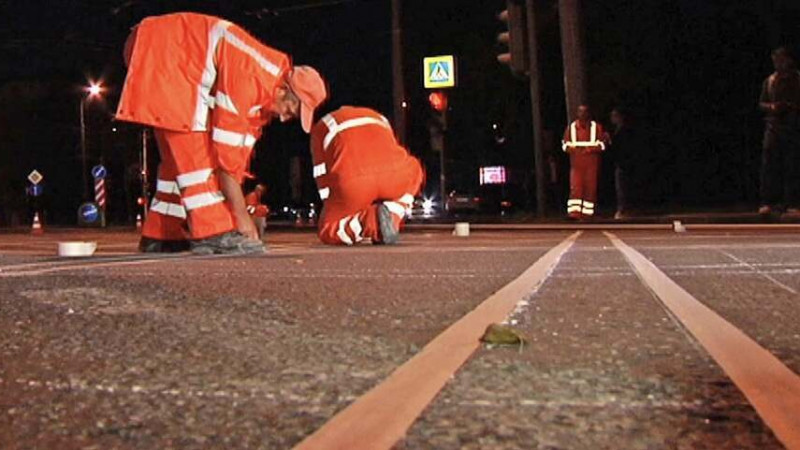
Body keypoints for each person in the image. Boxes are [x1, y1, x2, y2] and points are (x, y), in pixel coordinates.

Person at [116, 12, 327, 254]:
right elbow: (226, 161)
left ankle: (162, 232)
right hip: (165, 49)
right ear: (283, 90)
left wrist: (238, 209)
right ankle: (212, 231)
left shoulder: (264, 82)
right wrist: (241, 219)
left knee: (177, 160)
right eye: (291, 110)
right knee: (196, 151)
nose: (284, 118)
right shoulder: (251, 79)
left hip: (158, 46)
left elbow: (236, 159)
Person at [309, 106, 424, 245]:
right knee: (415, 171)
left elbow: (321, 174)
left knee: (328, 230)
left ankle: (368, 223)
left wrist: (332, 206)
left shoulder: (322, 126)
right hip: (393, 174)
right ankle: (393, 212)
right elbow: (391, 147)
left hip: (354, 181)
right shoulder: (379, 118)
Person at [758, 47, 800, 216]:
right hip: (773, 128)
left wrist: (791, 107)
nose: (778, 64)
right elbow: (762, 103)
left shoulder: (797, 80)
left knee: (792, 166)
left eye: (781, 60)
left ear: (789, 60)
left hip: (793, 128)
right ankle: (767, 202)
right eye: (775, 60)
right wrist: (773, 107)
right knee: (769, 166)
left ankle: (792, 202)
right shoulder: (770, 81)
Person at [562, 105, 608, 219]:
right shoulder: (571, 128)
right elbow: (565, 145)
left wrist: (590, 149)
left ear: (588, 113)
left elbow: (602, 145)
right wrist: (573, 149)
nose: (582, 114)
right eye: (580, 112)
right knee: (575, 187)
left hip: (591, 163)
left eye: (585, 112)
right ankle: (574, 213)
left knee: (590, 188)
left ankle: (587, 213)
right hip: (576, 164)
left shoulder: (596, 127)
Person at [608, 107, 637, 220]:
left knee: (622, 188)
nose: (612, 118)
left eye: (614, 116)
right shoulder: (616, 130)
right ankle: (623, 209)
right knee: (621, 187)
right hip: (620, 163)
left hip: (624, 163)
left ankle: (623, 210)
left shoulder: (624, 131)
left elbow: (623, 148)